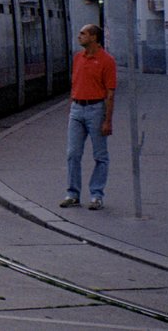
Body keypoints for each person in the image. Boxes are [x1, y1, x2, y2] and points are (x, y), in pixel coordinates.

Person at [60, 23, 116, 211]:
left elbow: (110, 93)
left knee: (100, 156)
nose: (79, 36)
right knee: (72, 154)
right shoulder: (78, 58)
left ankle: (96, 195)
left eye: (82, 34)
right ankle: (72, 194)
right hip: (77, 109)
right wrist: (72, 106)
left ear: (93, 37)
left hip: (96, 109)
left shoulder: (107, 61)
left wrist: (108, 120)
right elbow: (75, 84)